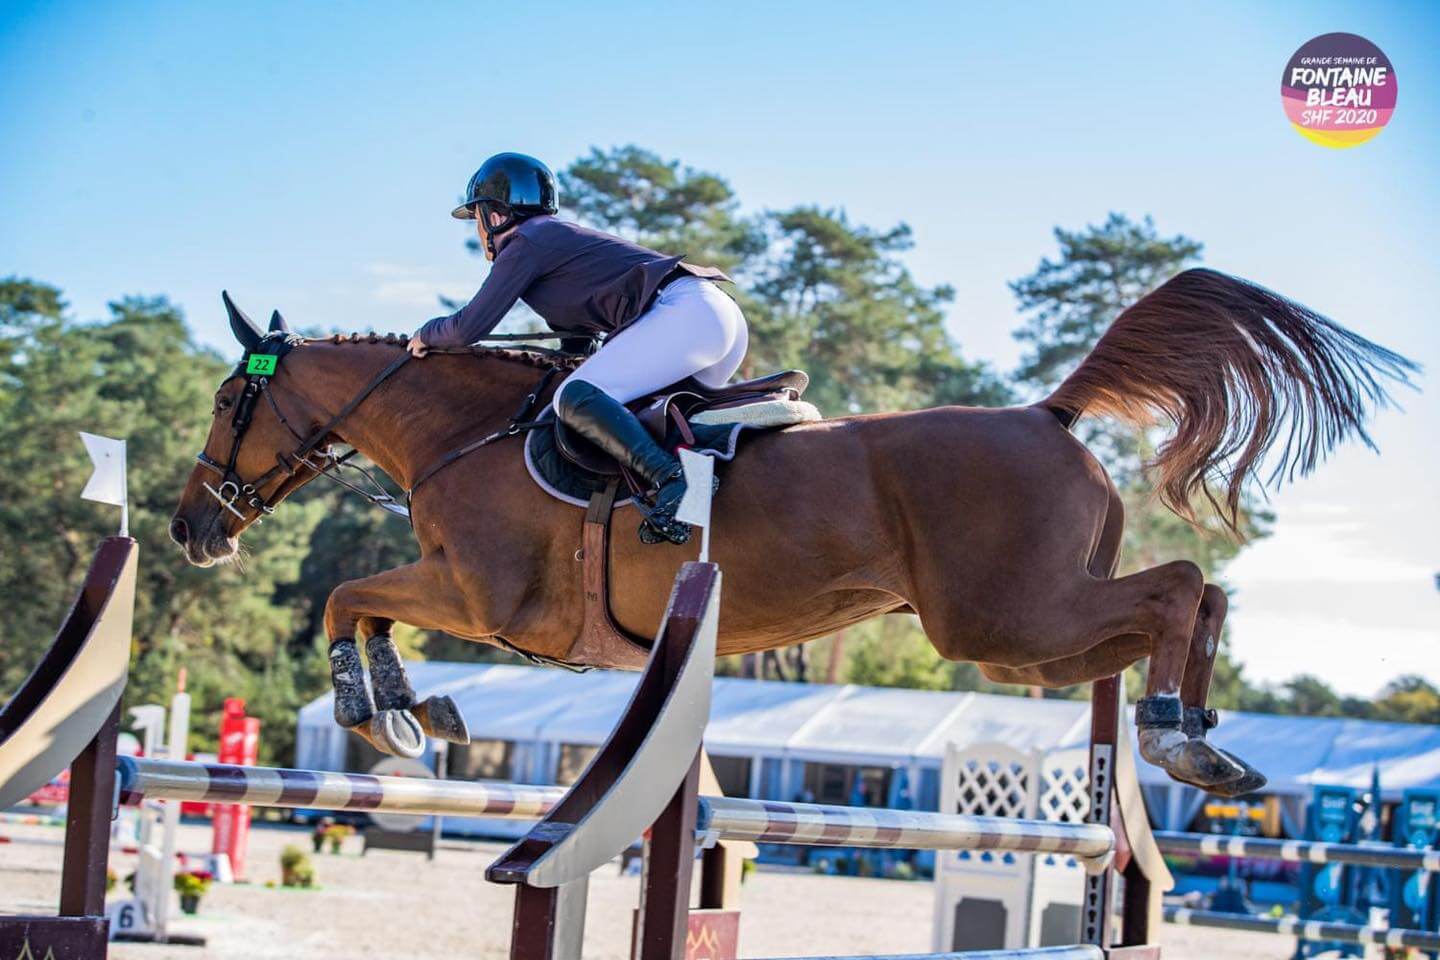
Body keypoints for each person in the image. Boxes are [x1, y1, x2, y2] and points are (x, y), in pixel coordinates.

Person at [410, 153, 747, 544]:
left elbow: (468, 327)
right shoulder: (553, 242)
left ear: (494, 215)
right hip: (717, 320)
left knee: (575, 395)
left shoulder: (526, 242)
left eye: (477, 219)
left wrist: (425, 335)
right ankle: (690, 511)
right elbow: (578, 344)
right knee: (648, 415)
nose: (478, 232)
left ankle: (674, 482)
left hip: (688, 316)